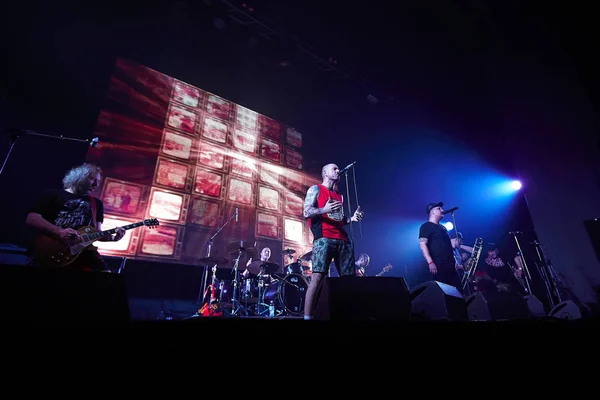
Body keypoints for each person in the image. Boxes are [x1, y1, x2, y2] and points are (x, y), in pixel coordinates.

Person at [25, 163, 126, 272]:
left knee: (107, 282)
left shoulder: (96, 204)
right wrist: (59, 232)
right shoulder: (53, 195)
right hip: (50, 248)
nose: (96, 184)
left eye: (98, 181)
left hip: (84, 252)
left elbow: (96, 233)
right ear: (79, 176)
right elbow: (31, 218)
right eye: (92, 179)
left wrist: (112, 238)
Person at [302, 163, 364, 320]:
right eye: (334, 169)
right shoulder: (315, 189)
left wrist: (352, 219)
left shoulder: (339, 195)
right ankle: (307, 318)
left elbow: (339, 219)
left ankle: (349, 316)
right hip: (324, 238)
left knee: (349, 279)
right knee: (317, 278)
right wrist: (324, 209)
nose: (338, 171)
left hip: (343, 239)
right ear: (324, 173)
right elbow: (306, 211)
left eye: (338, 169)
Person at [418, 202, 461, 289]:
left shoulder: (443, 227)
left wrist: (455, 259)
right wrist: (430, 262)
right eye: (439, 208)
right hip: (439, 265)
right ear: (432, 212)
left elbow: (448, 245)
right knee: (445, 291)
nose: (442, 210)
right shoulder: (426, 226)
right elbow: (423, 245)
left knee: (458, 290)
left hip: (451, 265)